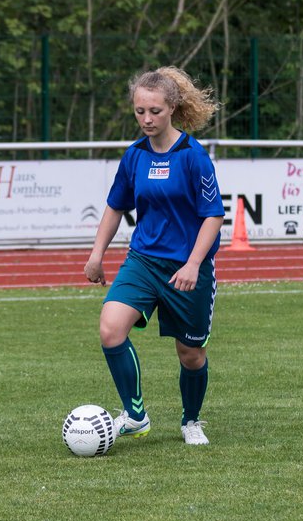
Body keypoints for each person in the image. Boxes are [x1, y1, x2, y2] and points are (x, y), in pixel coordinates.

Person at [84, 67, 225, 446]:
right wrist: (97, 254)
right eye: (139, 112)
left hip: (186, 268)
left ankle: (191, 420)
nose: (146, 119)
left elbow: (213, 216)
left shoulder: (194, 157)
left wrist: (194, 264)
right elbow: (115, 207)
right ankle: (134, 414)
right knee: (111, 329)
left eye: (155, 112)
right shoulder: (134, 156)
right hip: (143, 261)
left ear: (172, 108)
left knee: (190, 354)